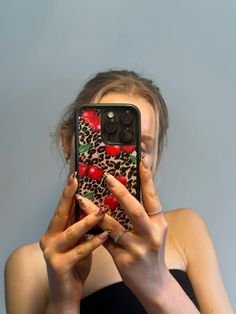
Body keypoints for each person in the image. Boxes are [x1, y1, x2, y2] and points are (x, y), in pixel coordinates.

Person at [5, 70, 234, 314]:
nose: (120, 160)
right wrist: (64, 302)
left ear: (156, 157)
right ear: (67, 143)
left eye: (140, 146)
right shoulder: (30, 265)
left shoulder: (185, 230)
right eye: (99, 143)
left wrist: (160, 286)